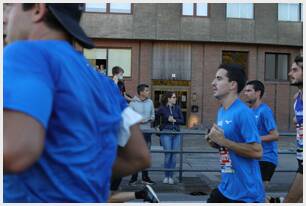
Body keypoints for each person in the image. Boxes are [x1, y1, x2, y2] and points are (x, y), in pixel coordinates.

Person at [4, 3, 150, 202]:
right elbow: (139, 156)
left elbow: (16, 153)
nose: (4, 18)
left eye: (8, 8)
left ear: (38, 9)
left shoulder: (25, 53)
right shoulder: (104, 84)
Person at [206, 64, 265, 203]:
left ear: (232, 85)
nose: (213, 83)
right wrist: (214, 141)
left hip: (246, 193)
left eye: (219, 79)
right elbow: (227, 144)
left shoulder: (243, 112)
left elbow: (257, 152)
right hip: (227, 187)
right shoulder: (222, 111)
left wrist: (223, 141)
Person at [244, 80, 279, 191]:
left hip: (266, 158)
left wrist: (255, 139)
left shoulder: (265, 111)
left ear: (258, 93)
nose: (245, 93)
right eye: (245, 91)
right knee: (252, 194)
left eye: (249, 90)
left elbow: (275, 135)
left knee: (258, 194)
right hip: (253, 157)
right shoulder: (249, 112)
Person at [283, 55, 303, 203]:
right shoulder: (298, 98)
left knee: (290, 200)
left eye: (295, 70)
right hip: (300, 157)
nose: (290, 74)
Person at [129, 84, 156, 185]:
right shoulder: (132, 103)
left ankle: (145, 178)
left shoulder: (150, 102)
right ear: (141, 92)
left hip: (147, 131)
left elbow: (153, 114)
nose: (148, 92)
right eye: (147, 90)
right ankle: (134, 178)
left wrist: (150, 118)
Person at [155, 92, 184, 185]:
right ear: (168, 98)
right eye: (173, 97)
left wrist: (174, 120)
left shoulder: (177, 108)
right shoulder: (162, 108)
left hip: (176, 133)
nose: (175, 99)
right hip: (166, 133)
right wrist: (156, 126)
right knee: (168, 154)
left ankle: (171, 177)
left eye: (175, 97)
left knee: (174, 155)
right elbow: (155, 117)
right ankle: (166, 176)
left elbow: (182, 120)